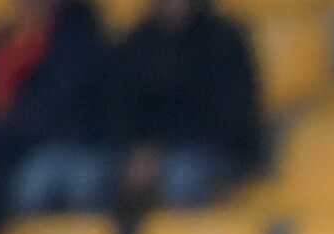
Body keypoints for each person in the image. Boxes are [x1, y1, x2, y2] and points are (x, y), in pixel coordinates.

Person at [100, 0, 262, 212]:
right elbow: (120, 110)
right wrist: (133, 152)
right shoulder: (135, 44)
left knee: (182, 177)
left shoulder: (224, 41)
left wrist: (162, 152)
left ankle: (195, 233)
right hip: (148, 152)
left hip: (217, 150)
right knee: (97, 176)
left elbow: (231, 119)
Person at [0, 0, 105, 220]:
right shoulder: (6, 41)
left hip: (78, 142)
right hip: (23, 146)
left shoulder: (77, 34)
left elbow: (64, 97)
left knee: (78, 186)